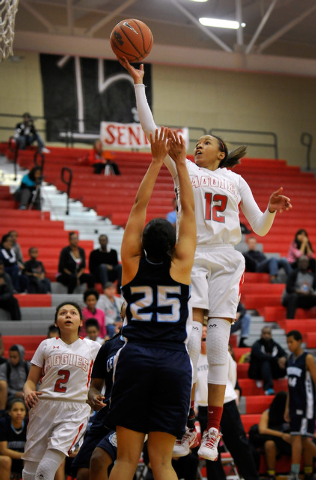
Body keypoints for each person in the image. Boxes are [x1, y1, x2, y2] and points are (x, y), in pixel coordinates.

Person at [120, 57, 292, 461]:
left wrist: (268, 209)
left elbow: (260, 229)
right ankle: (186, 422)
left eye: (207, 141)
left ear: (222, 153)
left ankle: (212, 429)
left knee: (217, 347)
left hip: (228, 260)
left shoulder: (236, 180)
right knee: (190, 339)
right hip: (193, 256)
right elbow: (151, 132)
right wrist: (139, 86)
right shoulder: (187, 170)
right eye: (197, 141)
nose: (198, 143)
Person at [104, 127, 196, 480]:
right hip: (173, 361)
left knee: (126, 461)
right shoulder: (183, 264)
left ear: (143, 243)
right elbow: (188, 210)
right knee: (162, 463)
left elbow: (137, 206)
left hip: (137, 356)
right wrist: (180, 164)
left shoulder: (130, 261)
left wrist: (157, 161)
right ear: (173, 244)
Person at [21, 301, 100, 480]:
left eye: (73, 313)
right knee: (29, 472)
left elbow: (99, 383)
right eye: (63, 313)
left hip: (75, 409)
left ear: (81, 322)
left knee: (45, 471)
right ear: (56, 322)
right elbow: (30, 382)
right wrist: (28, 392)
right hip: (43, 406)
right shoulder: (46, 345)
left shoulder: (93, 348)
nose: (68, 315)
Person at [194, 327, 260, 480]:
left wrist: (229, 393)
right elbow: (193, 386)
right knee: (210, 450)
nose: (204, 333)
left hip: (226, 404)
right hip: (205, 408)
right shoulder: (194, 357)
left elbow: (232, 376)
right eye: (201, 331)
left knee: (239, 444)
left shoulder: (220, 352)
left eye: (206, 331)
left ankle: (251, 477)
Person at [71, 332, 125, 480]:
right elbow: (95, 387)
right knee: (83, 473)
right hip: (105, 415)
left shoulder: (145, 343)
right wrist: (93, 397)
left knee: (99, 460)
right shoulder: (109, 346)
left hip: (129, 416)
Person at [285, 330, 316, 480]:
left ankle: (294, 473)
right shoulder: (290, 359)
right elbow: (290, 387)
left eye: (291, 342)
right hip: (293, 404)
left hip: (306, 405)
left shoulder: (308, 358)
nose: (289, 345)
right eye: (287, 342)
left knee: (299, 438)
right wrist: (286, 407)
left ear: (299, 341)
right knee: (299, 438)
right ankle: (295, 473)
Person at [253, 391, 292, 480]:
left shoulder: (291, 413)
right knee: (269, 444)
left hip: (288, 441)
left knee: (303, 442)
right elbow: (262, 430)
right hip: (276, 440)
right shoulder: (268, 413)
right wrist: (282, 435)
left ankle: (303, 471)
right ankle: (271, 474)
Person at [248, 326, 287, 395]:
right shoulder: (256, 345)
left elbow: (285, 354)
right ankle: (268, 388)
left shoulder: (274, 344)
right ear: (261, 334)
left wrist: (283, 358)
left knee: (285, 360)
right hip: (257, 372)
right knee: (265, 362)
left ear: (271, 335)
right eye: (264, 333)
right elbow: (261, 357)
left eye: (268, 333)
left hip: (271, 372)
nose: (266, 335)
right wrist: (277, 360)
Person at [0, 398, 27, 480]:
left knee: (32, 460)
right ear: (9, 412)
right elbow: (3, 450)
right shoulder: (3, 423)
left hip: (23, 459)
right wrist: (25, 456)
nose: (19, 413)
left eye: (22, 410)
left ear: (25, 412)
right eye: (15, 410)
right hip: (8, 458)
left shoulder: (30, 424)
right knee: (6, 460)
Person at [0, 345, 30, 413]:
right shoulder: (4, 367)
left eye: (15, 357)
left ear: (21, 356)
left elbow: (35, 383)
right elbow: (3, 387)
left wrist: (27, 393)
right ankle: (2, 414)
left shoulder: (28, 366)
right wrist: (15, 393)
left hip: (27, 395)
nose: (12, 359)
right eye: (10, 357)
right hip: (10, 395)